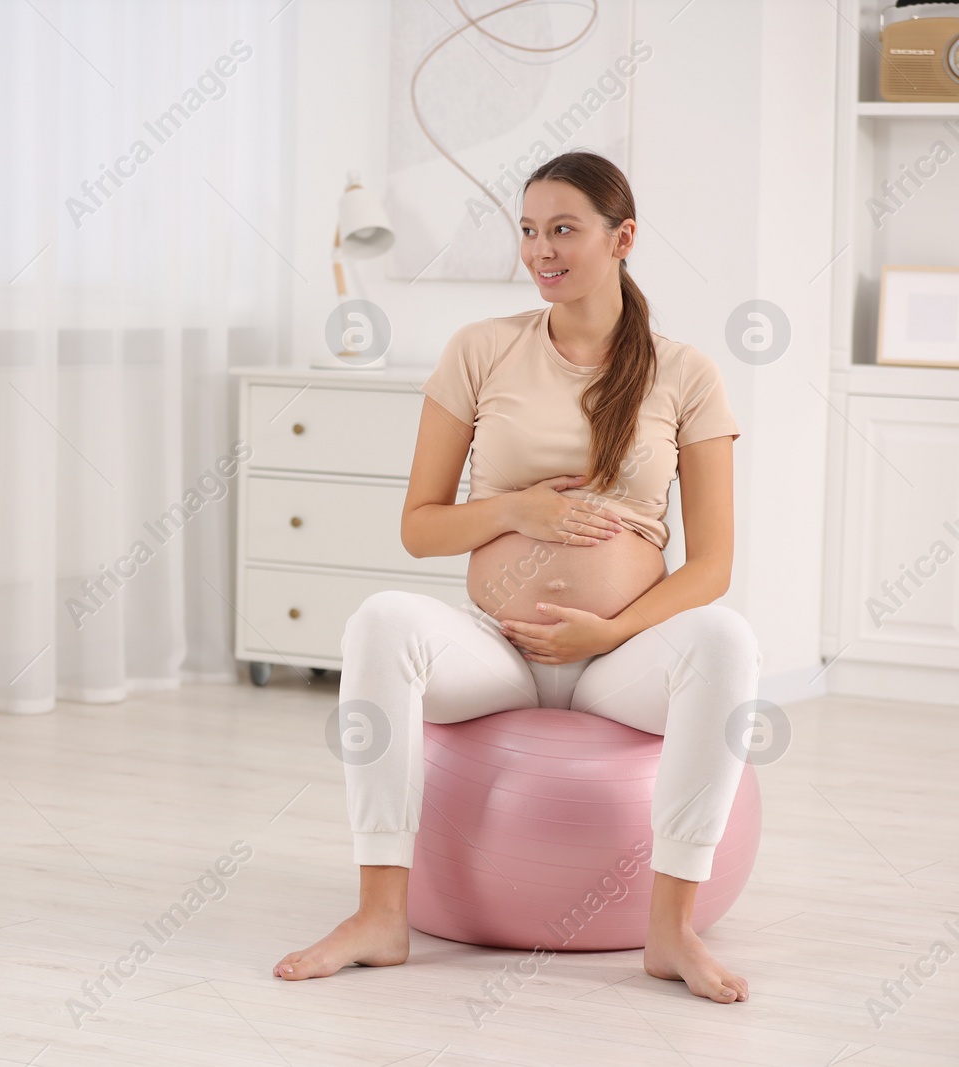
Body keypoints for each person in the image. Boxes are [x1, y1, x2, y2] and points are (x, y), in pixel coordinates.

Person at [273, 150, 760, 1004]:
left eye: (564, 229)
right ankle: (381, 914)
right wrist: (516, 511)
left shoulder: (684, 373)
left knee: (726, 637)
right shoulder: (481, 350)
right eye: (529, 230)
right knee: (380, 620)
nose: (542, 249)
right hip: (495, 652)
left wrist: (612, 631)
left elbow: (713, 564)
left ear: (624, 238)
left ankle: (670, 928)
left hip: (619, 662)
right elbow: (419, 527)